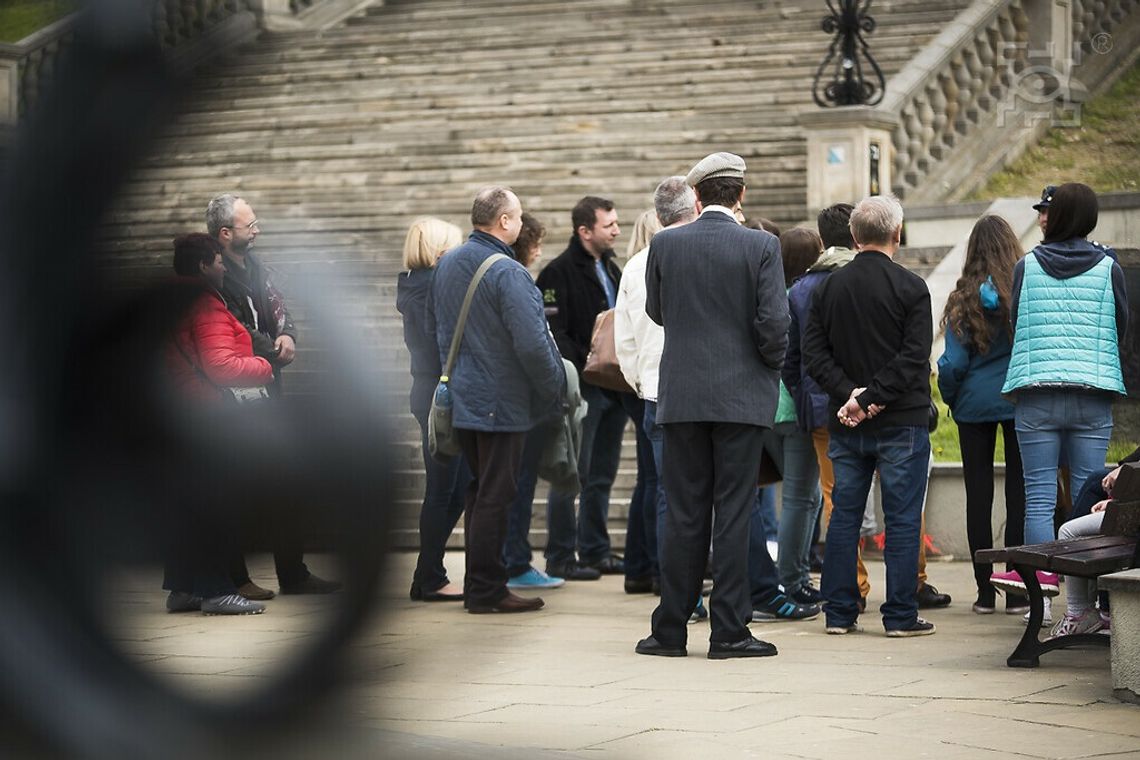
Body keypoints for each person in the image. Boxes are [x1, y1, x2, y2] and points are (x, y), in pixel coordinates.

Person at [635, 152, 789, 659]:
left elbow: (657, 312)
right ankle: (728, 630)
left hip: (681, 396)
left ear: (696, 197)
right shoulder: (762, 245)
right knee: (735, 514)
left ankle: (669, 630)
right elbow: (774, 325)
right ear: (740, 195)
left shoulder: (665, 243)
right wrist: (765, 366)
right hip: (741, 397)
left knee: (683, 513)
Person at [991, 183, 1128, 626]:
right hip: (1092, 392)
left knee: (1038, 499)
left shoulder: (1026, 266)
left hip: (1036, 394)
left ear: (1055, 216)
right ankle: (1083, 607)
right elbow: (1120, 326)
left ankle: (1040, 602)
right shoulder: (1109, 268)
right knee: (1091, 496)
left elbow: (1017, 324)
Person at [427, 187, 566, 614]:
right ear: (504, 221)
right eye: (518, 217)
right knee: (494, 494)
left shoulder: (447, 262)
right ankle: (487, 589)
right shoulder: (508, 271)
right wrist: (554, 387)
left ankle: (480, 584)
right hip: (499, 400)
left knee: (478, 491)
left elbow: (439, 329)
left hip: (466, 394)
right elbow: (531, 343)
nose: (522, 225)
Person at [803, 194, 937, 638]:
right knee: (901, 519)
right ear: (897, 235)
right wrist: (873, 396)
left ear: (854, 236)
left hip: (847, 420)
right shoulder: (912, 287)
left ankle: (839, 612)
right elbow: (914, 357)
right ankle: (899, 615)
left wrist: (851, 396)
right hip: (902, 419)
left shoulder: (827, 288)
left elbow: (814, 354)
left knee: (844, 515)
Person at [206, 194, 341, 598]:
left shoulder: (259, 267)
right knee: (232, 489)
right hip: (232, 393)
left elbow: (281, 308)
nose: (258, 230)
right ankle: (235, 576)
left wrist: (288, 335)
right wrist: (271, 348)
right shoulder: (212, 275)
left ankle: (293, 573)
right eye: (251, 225)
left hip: (268, 386)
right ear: (226, 233)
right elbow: (229, 326)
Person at [163, 233, 274, 616]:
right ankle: (215, 589)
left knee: (186, 505)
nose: (225, 265)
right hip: (208, 414)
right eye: (218, 260)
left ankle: (182, 589)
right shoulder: (204, 304)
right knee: (213, 504)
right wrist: (265, 367)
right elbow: (220, 365)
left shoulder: (171, 300)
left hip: (180, 411)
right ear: (202, 266)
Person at [536, 196, 638, 580]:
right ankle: (561, 555)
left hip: (614, 387)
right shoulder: (556, 273)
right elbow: (553, 331)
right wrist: (586, 359)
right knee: (571, 472)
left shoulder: (612, 269)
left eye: (615, 223)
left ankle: (595, 550)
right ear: (585, 231)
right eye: (608, 224)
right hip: (583, 387)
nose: (616, 229)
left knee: (603, 473)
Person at [936, 215, 1028, 615]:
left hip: (974, 405)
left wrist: (953, 400)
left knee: (979, 494)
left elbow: (952, 365)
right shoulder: (1023, 292)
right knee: (1020, 494)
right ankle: (1020, 588)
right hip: (1018, 400)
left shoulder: (962, 299)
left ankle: (984, 592)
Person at [397, 217, 472, 602]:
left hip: (430, 390)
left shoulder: (416, 284)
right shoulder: (429, 287)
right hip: (438, 393)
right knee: (444, 489)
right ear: (440, 250)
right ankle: (428, 576)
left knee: (454, 487)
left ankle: (430, 571)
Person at [502, 212, 567, 590]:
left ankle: (511, 560)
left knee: (515, 485)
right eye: (537, 244)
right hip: (525, 403)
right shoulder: (516, 278)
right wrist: (553, 385)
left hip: (517, 402)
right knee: (519, 486)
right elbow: (531, 343)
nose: (540, 252)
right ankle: (515, 561)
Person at [770, 227, 826, 605]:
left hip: (768, 408)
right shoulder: (804, 298)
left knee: (803, 499)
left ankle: (793, 572)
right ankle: (793, 578)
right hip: (793, 410)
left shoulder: (773, 296)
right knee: (801, 499)